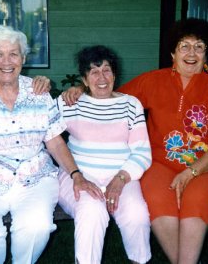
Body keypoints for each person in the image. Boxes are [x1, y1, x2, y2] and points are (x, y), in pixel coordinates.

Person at [60, 19, 208, 264]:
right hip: (159, 165)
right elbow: (109, 94)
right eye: (184, 46)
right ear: (172, 53)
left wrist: (190, 172)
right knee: (156, 197)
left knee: (196, 197)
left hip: (206, 167)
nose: (191, 53)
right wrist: (81, 89)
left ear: (206, 55)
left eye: (199, 47)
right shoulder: (153, 81)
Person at [0, 25, 102, 264]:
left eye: (14, 54)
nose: (6, 62)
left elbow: (55, 142)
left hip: (34, 178)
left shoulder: (37, 91)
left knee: (36, 227)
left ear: (23, 58)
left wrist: (76, 175)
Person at [56, 45, 152, 263]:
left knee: (136, 215)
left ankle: (140, 260)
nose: (102, 77)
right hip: (78, 176)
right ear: (84, 78)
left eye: (107, 70)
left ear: (115, 75)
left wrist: (120, 179)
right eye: (94, 71)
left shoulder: (130, 104)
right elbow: (43, 130)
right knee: (92, 213)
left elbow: (142, 152)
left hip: (121, 175)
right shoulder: (69, 102)